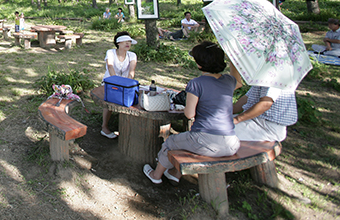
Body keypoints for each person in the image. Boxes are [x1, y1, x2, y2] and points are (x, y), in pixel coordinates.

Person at [143, 42, 243, 184]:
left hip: (206, 141)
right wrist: (233, 61)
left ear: (200, 65)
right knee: (186, 141)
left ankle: (156, 175)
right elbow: (238, 82)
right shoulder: (228, 81)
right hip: (231, 143)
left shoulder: (196, 83)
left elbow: (189, 114)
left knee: (170, 142)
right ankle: (174, 174)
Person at [101, 31, 138, 138]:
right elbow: (110, 67)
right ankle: (104, 126)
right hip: (110, 83)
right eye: (125, 41)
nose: (128, 44)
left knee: (132, 101)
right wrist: (117, 84)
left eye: (129, 42)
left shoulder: (132, 55)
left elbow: (132, 71)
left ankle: (127, 128)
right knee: (109, 101)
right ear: (118, 43)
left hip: (126, 84)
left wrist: (126, 84)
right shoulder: (111, 53)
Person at [233, 86, 297, 142]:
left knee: (224, 130)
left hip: (267, 127)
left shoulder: (272, 77)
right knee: (224, 123)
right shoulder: (262, 79)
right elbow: (247, 99)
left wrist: (237, 119)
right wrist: (226, 112)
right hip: (257, 121)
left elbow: (265, 104)